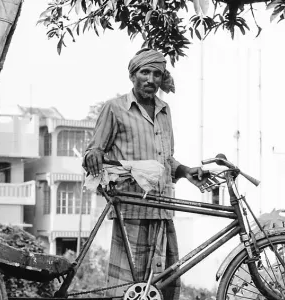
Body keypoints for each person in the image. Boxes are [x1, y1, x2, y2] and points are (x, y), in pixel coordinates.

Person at [83, 48, 211, 300]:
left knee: (161, 289)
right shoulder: (115, 108)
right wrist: (93, 155)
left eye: (156, 74)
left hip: (163, 208)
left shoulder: (164, 110)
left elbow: (165, 159)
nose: (151, 79)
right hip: (132, 210)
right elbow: (93, 151)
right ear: (133, 75)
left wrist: (185, 171)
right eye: (145, 72)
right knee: (127, 290)